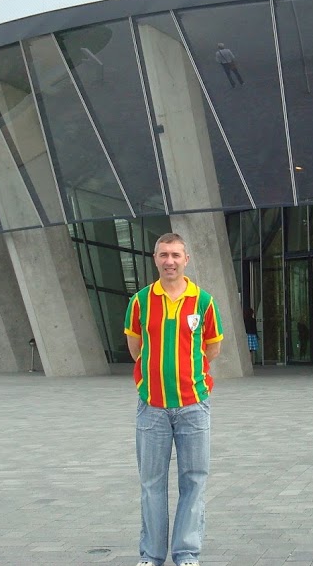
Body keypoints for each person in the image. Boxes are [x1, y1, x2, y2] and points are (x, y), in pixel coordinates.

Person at [125, 232, 223, 566]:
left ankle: (186, 554)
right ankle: (151, 556)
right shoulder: (139, 301)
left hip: (193, 406)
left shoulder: (204, 301)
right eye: (164, 255)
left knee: (193, 481)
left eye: (176, 255)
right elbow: (136, 349)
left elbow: (212, 348)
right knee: (151, 484)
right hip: (151, 407)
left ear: (186, 259)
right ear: (155, 258)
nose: (170, 261)